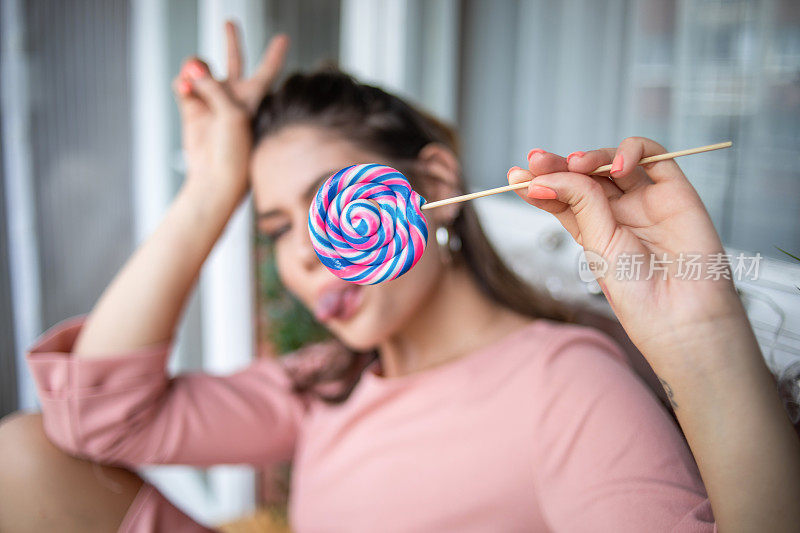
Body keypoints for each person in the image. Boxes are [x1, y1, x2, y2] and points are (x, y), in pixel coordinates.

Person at [1, 21, 799, 533]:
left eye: (327, 205)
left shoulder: (567, 387)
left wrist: (703, 339)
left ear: (434, 186)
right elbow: (89, 417)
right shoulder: (324, 380)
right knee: (20, 455)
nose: (307, 252)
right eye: (278, 228)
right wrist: (211, 188)